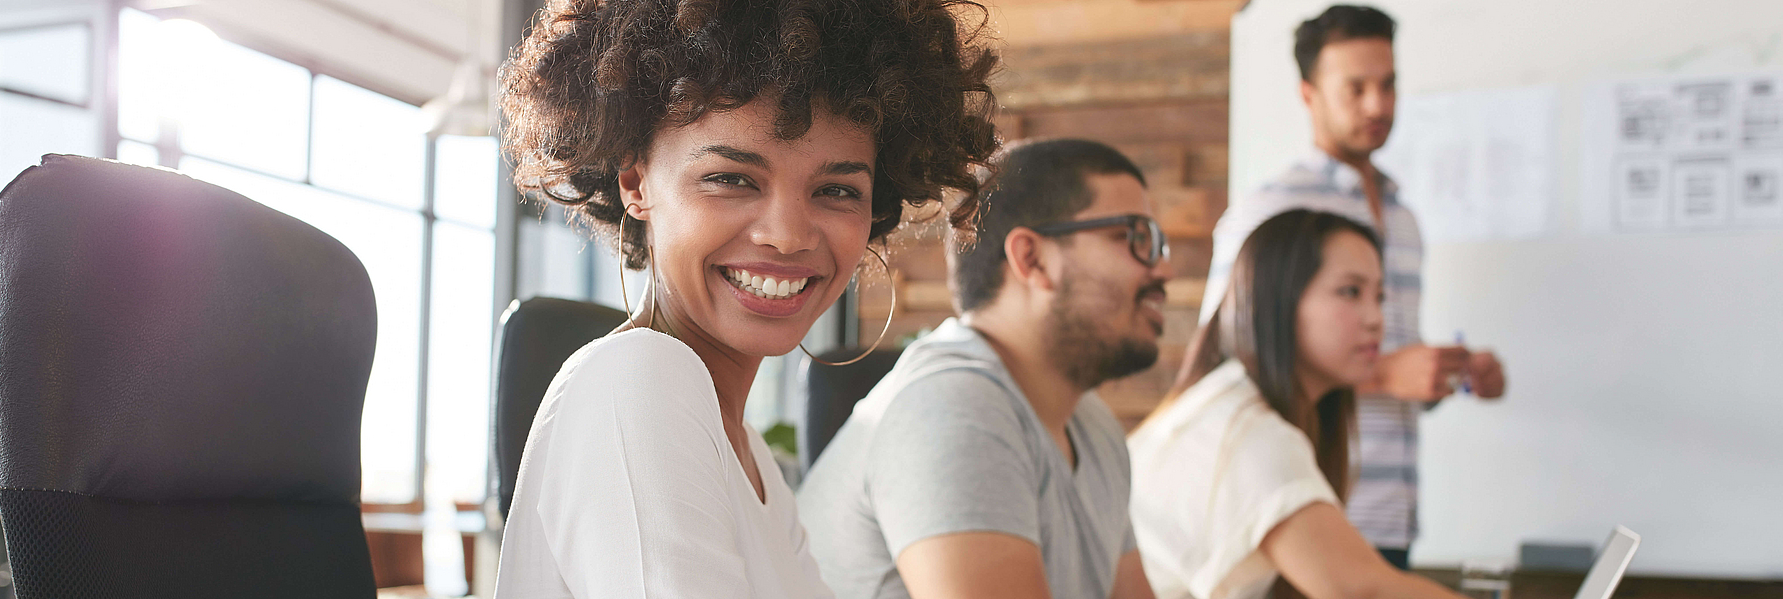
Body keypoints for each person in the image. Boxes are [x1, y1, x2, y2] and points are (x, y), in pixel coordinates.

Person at [491, 0, 999, 596]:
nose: (787, 234)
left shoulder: (754, 462)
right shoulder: (637, 381)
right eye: (732, 179)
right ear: (636, 182)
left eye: (836, 189)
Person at [1200, 4, 1507, 570]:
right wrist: (1387, 372)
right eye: (1356, 88)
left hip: (1394, 514)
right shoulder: (1272, 210)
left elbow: (1373, 356)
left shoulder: (1406, 219)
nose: (1379, 105)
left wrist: (1445, 374)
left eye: (1389, 86)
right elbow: (1223, 357)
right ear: (1308, 94)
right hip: (1302, 511)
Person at [799, 139, 1168, 599]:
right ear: (1032, 259)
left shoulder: (1092, 427)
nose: (1164, 267)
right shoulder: (951, 409)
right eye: (1135, 237)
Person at [1132, 209, 1471, 599]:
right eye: (1350, 292)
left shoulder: (1238, 401)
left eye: (1379, 297)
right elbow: (1364, 592)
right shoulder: (1247, 430)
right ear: (1278, 298)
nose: (1377, 319)